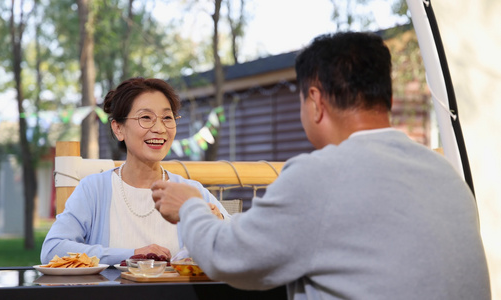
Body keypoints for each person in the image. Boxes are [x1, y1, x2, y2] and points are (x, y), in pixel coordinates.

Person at [151, 32, 491, 299]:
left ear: (315, 101)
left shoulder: (320, 175)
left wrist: (190, 206)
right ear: (386, 98)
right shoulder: (445, 172)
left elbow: (227, 257)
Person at [41, 77, 230, 265]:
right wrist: (132, 255)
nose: (159, 128)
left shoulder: (190, 191)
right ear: (118, 129)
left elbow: (238, 245)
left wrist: (218, 222)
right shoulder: (94, 189)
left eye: (167, 118)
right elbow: (52, 250)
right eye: (146, 118)